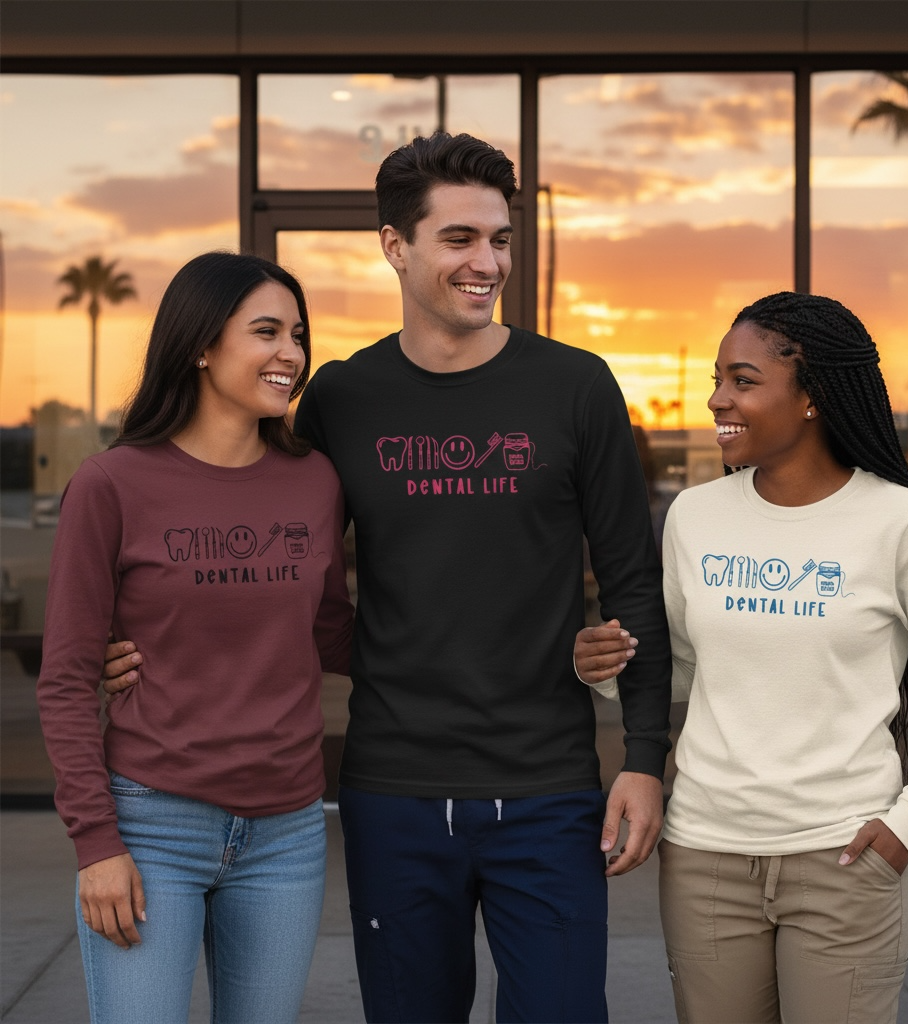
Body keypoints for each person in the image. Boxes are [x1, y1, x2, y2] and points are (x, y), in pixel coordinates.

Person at [103, 133, 673, 1023]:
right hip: (394, 791)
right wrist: (133, 639)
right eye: (460, 240)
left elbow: (635, 580)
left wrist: (642, 758)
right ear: (395, 246)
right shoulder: (342, 396)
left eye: (501, 239)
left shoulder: (577, 387)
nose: (488, 263)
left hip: (549, 786)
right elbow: (264, 558)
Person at [574, 291, 908, 1024]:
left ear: (811, 398)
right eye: (717, 380)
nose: (715, 400)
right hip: (705, 855)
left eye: (742, 380)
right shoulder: (695, 518)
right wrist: (606, 668)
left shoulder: (903, 522)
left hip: (844, 857)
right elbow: (686, 670)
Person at [37, 252, 354, 1024]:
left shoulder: (315, 480)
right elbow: (67, 678)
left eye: (298, 335)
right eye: (267, 332)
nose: (292, 354)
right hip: (151, 826)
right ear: (201, 345)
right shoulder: (111, 485)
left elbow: (335, 637)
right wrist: (97, 845)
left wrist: (503, 637)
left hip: (286, 830)